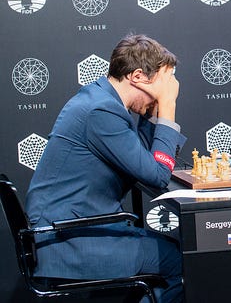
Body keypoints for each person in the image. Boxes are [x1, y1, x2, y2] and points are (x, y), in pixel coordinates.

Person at [25, 34, 187, 303]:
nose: (166, 93)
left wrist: (151, 114)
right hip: (68, 242)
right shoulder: (101, 111)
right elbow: (158, 176)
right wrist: (168, 105)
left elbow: (146, 167)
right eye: (164, 85)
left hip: (72, 231)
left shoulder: (102, 101)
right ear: (137, 76)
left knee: (173, 251)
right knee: (182, 262)